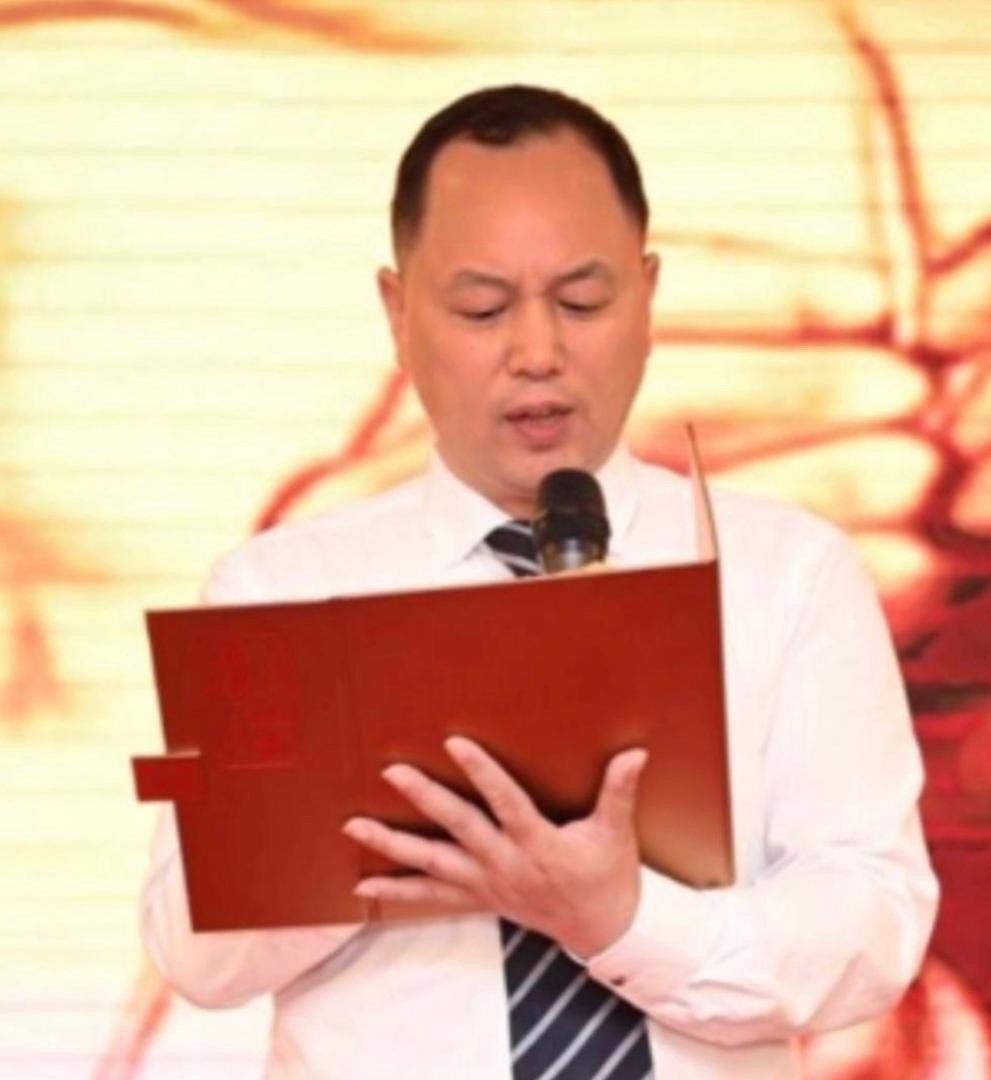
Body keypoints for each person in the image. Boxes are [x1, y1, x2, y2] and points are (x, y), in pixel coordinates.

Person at [140, 85, 939, 1079]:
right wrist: (381, 837)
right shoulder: (280, 590)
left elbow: (874, 922)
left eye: (582, 302)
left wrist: (621, 917)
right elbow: (193, 956)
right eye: (482, 309)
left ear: (647, 296)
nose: (538, 353)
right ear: (398, 314)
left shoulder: (789, 573)